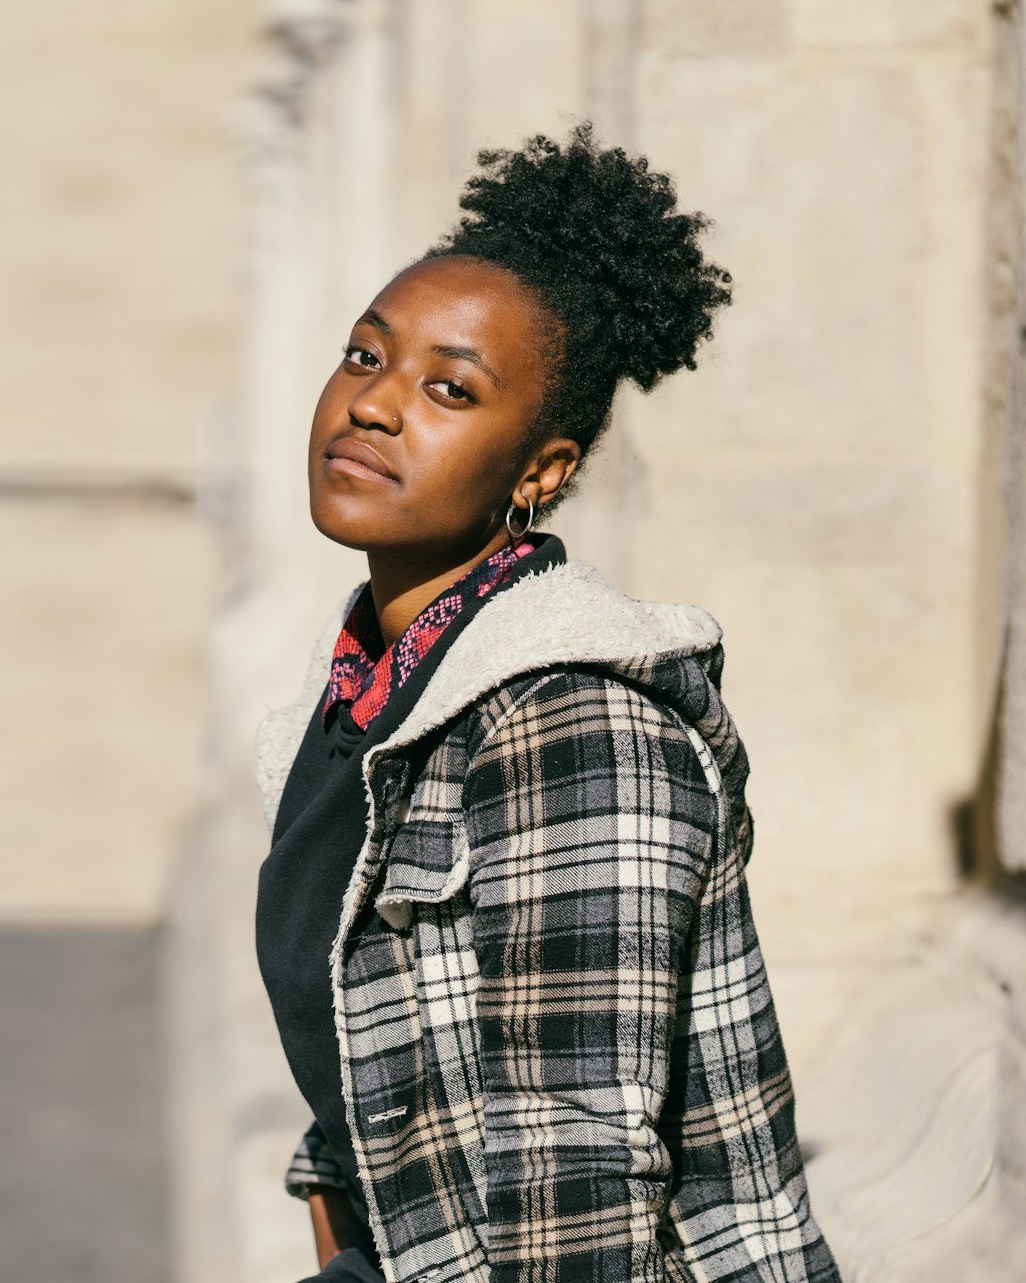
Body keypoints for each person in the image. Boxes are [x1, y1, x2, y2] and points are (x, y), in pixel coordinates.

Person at [252, 122, 844, 1282]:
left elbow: (582, 1188)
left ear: (537, 473)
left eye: (446, 388)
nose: (372, 407)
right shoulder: (367, 703)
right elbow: (361, 1066)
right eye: (364, 357)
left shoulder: (569, 724)